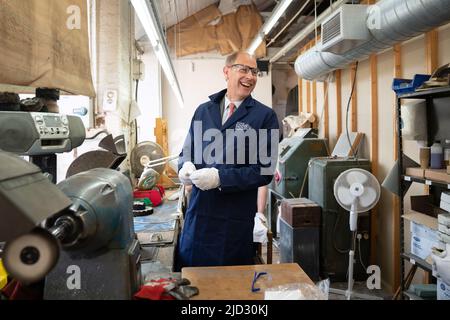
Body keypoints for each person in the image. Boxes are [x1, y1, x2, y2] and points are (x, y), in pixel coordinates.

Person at [176, 51, 279, 268]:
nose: (250, 76)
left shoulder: (264, 117)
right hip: (200, 214)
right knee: (193, 278)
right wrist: (184, 167)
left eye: (254, 71)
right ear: (226, 72)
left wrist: (220, 178)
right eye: (243, 69)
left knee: (230, 282)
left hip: (233, 219)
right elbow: (187, 151)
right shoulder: (204, 111)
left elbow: (265, 170)